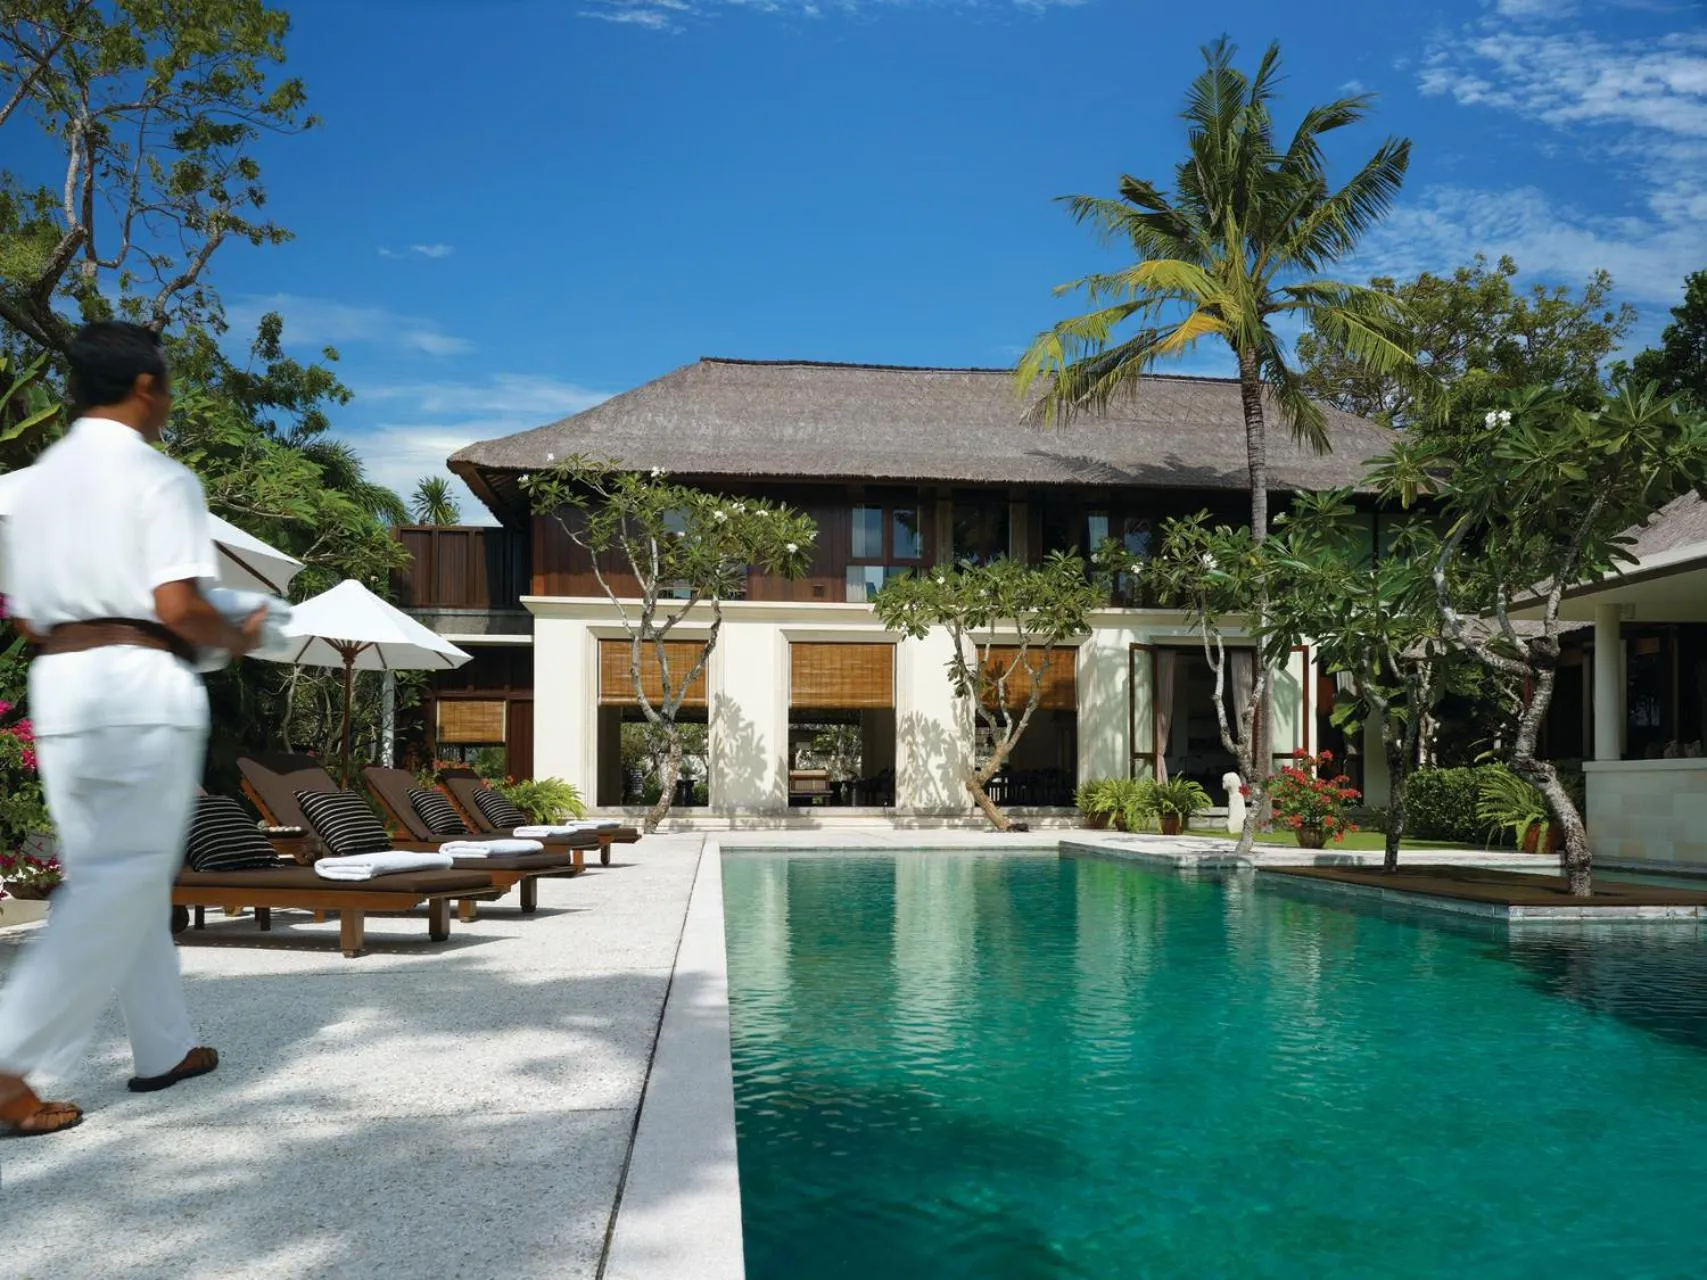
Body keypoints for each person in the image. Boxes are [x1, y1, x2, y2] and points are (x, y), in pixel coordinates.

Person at [0, 321, 265, 1137]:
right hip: (137, 682)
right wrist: (240, 632)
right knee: (121, 880)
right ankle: (8, 1062)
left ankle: (165, 1047)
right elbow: (177, 605)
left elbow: (30, 621)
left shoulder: (27, 486)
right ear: (147, 386)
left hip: (64, 685)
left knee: (119, 875)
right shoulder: (160, 478)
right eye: (169, 383)